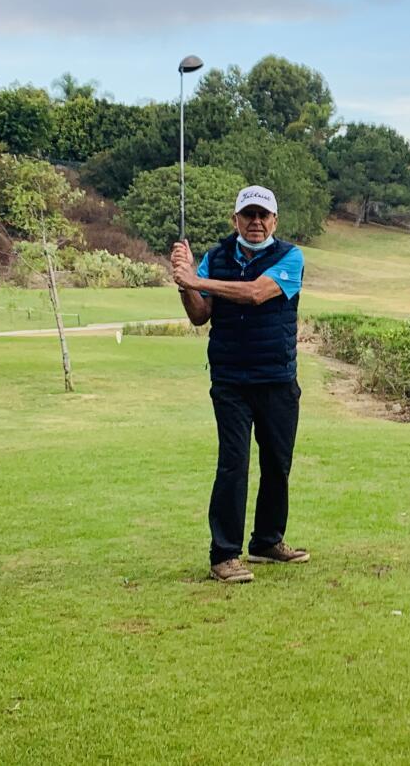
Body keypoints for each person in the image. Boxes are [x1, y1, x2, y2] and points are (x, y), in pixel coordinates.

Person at [171, 185, 309, 583]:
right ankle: (224, 555)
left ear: (275, 221)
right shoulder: (216, 257)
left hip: (277, 378)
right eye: (248, 215)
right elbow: (200, 316)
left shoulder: (290, 257)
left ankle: (267, 540)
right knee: (234, 462)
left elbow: (254, 294)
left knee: (277, 464)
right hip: (231, 379)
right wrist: (185, 284)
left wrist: (196, 279)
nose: (255, 222)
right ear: (235, 220)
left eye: (263, 216)